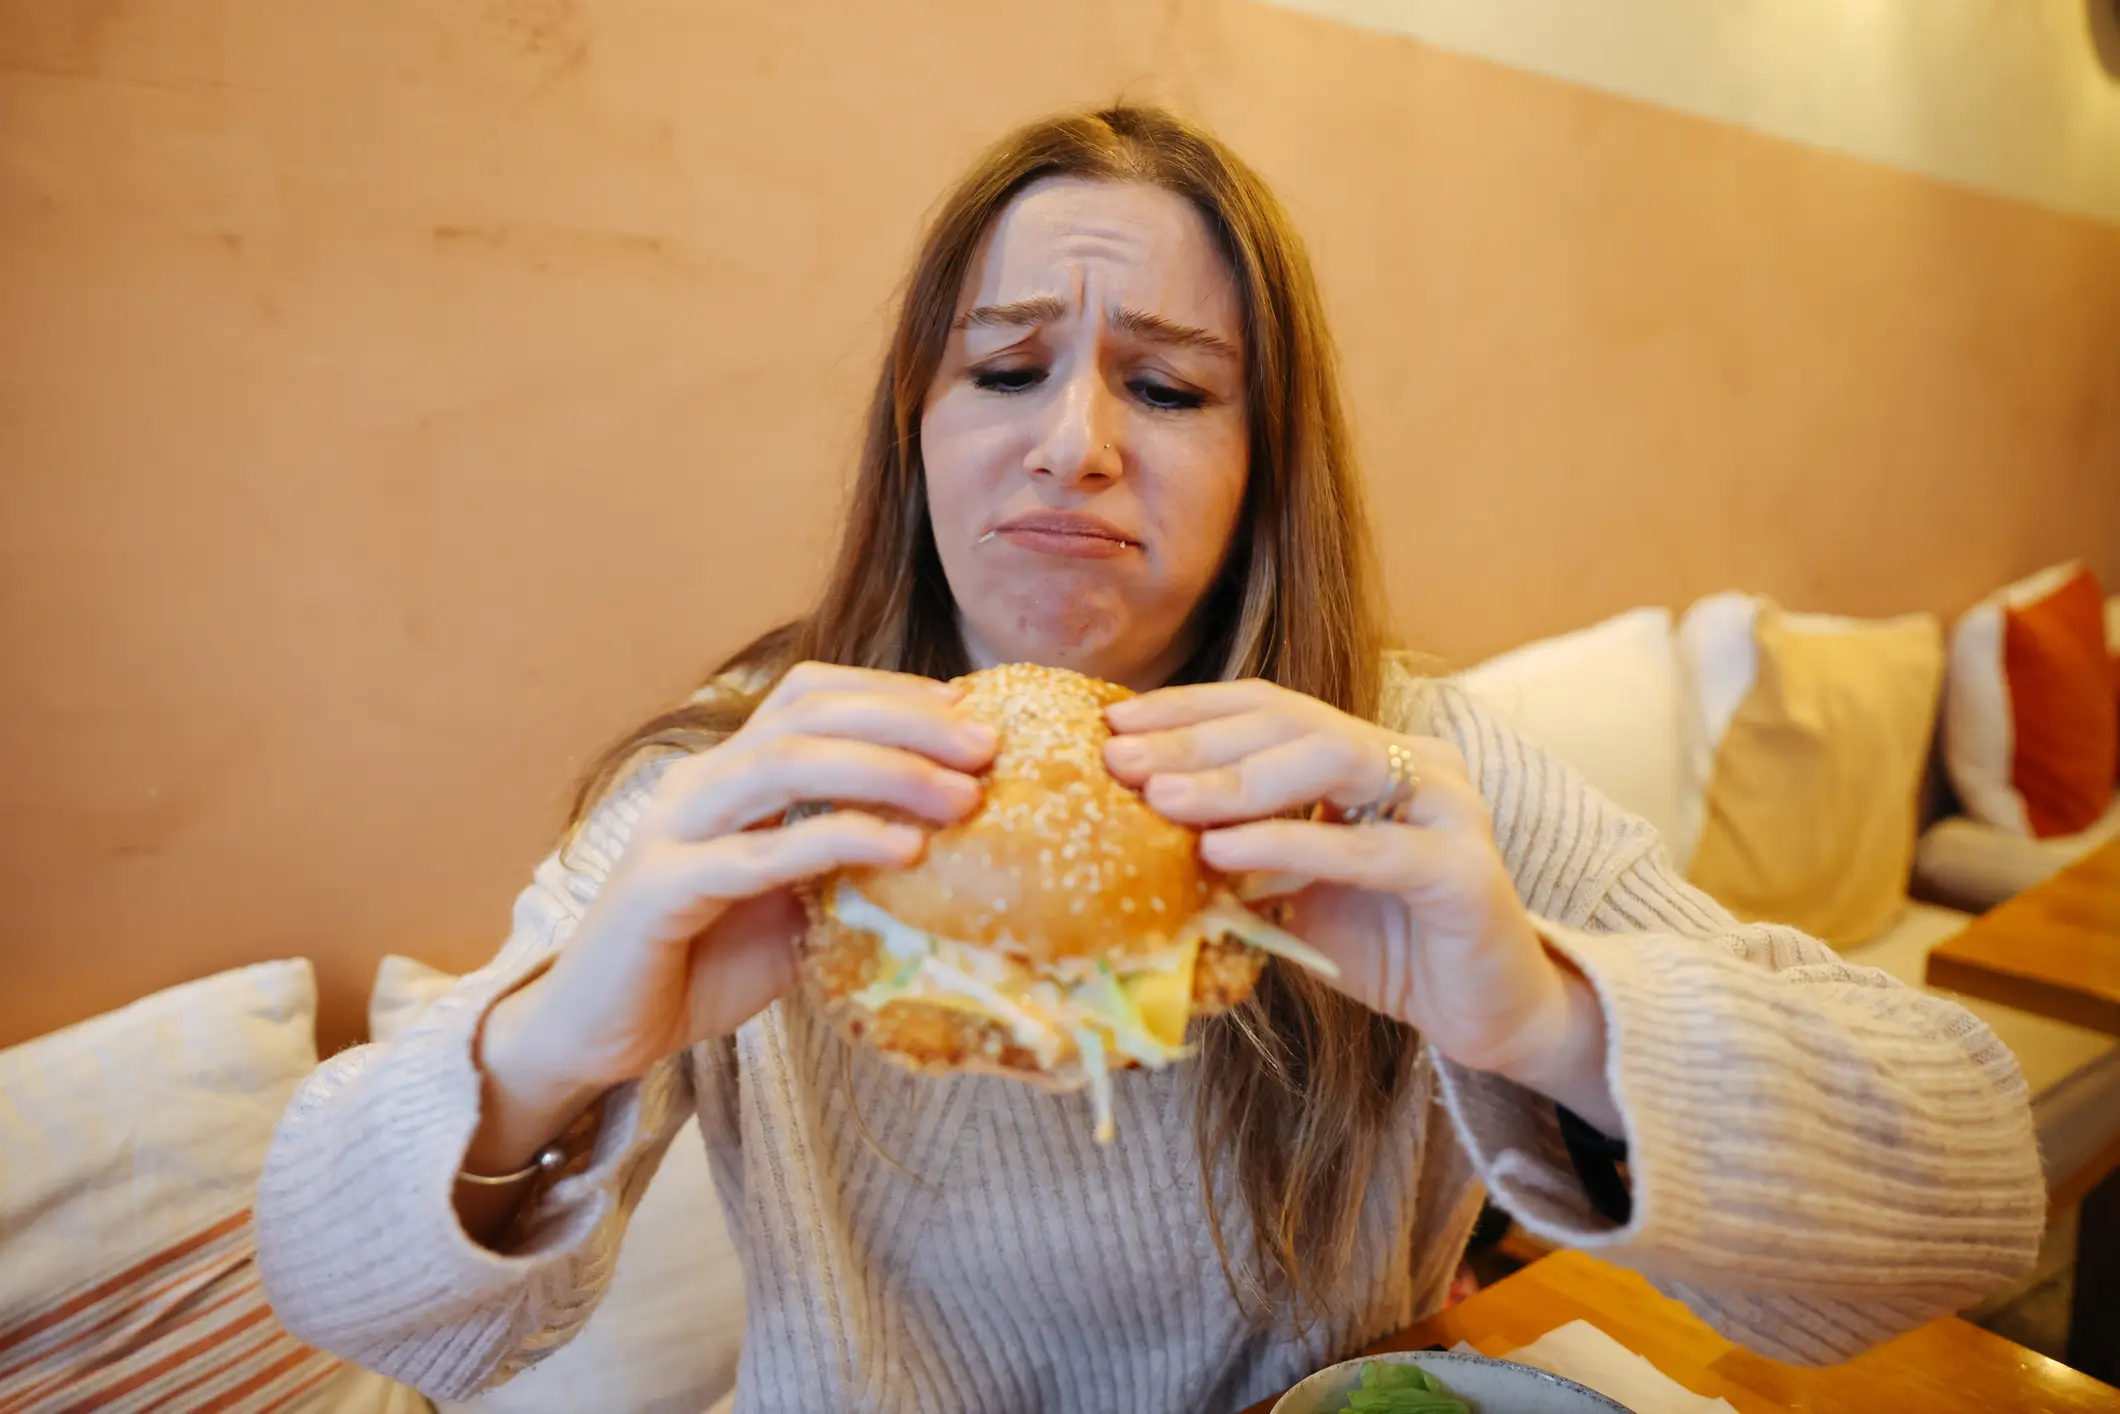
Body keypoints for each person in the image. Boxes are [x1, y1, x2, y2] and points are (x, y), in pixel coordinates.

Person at [256, 106, 2043, 1412]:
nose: (1077, 447)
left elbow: (1971, 1184)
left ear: (1269, 466)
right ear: (920, 430)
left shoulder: (1399, 768)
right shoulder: (746, 789)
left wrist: (1545, 1010)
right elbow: (345, 1288)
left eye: (1173, 389)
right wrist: (576, 1024)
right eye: (1007, 368)